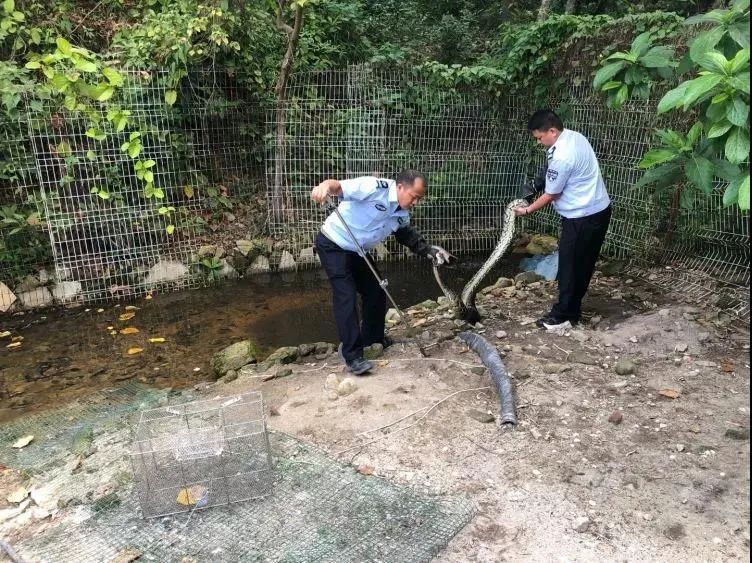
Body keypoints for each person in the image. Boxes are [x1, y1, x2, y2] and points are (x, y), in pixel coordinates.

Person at [311, 170, 453, 375]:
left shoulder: (402, 213)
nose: (415, 203)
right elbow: (338, 187)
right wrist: (325, 186)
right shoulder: (374, 188)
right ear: (401, 187)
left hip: (359, 251)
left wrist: (429, 251)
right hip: (334, 243)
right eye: (414, 197)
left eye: (419, 199)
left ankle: (373, 339)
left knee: (377, 291)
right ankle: (353, 357)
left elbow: (406, 235)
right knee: (346, 295)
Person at [516, 109, 612, 330]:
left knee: (569, 266)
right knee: (583, 263)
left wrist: (527, 210)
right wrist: (535, 186)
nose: (540, 143)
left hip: (581, 217)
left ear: (552, 130)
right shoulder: (575, 136)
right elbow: (548, 171)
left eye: (540, 138)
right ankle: (573, 309)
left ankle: (563, 316)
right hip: (599, 210)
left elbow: (552, 195)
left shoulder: (563, 156)